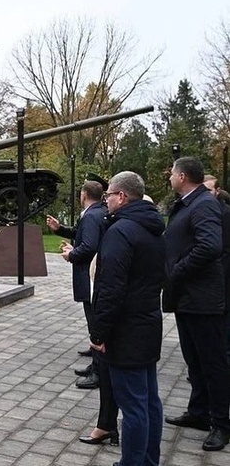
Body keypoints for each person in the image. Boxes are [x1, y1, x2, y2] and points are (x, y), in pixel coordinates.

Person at [89, 171, 165, 466]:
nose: (105, 200)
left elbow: (110, 288)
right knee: (149, 401)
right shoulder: (153, 228)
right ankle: (148, 460)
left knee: (133, 406)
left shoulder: (121, 232)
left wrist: (99, 333)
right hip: (147, 323)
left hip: (125, 329)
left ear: (121, 197)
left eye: (108, 194)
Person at [164, 158, 230, 452]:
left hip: (202, 298)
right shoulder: (188, 203)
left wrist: (176, 270)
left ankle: (221, 424)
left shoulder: (203, 203)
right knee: (194, 360)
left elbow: (209, 246)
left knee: (213, 363)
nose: (169, 178)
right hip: (187, 297)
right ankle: (199, 412)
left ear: (182, 176)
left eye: (172, 174)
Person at [46, 180, 108, 390]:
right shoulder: (98, 212)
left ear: (83, 194)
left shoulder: (91, 215)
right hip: (94, 273)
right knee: (94, 321)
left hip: (90, 275)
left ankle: (99, 372)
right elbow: (83, 235)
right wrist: (60, 229)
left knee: (94, 320)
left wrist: (71, 255)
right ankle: (95, 363)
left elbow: (89, 245)